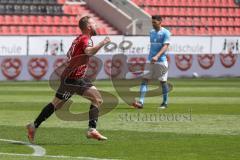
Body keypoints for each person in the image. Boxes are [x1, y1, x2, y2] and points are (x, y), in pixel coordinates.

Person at [26, 16, 111, 143]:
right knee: (95, 99)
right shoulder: (85, 39)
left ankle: (34, 125)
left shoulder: (79, 38)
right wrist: (103, 43)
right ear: (88, 27)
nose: (96, 26)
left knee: (57, 105)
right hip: (72, 79)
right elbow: (89, 52)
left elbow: (71, 54)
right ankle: (91, 130)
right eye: (94, 24)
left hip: (76, 77)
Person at [132, 15, 171, 109]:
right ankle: (141, 102)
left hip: (161, 61)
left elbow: (165, 46)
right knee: (145, 80)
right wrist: (152, 57)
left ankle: (165, 103)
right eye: (152, 22)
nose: (153, 24)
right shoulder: (152, 32)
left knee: (163, 82)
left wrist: (157, 56)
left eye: (155, 22)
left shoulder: (166, 32)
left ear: (160, 22)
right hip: (150, 60)